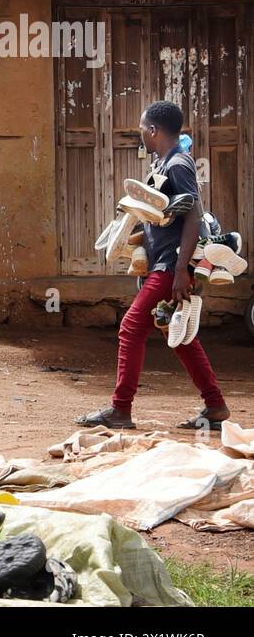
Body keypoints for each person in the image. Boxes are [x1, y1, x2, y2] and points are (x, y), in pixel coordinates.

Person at [77, 101, 228, 431]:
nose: (140, 134)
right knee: (180, 335)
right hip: (165, 263)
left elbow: (193, 218)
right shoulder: (165, 162)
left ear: (155, 130)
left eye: (143, 128)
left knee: (131, 328)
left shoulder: (178, 165)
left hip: (172, 265)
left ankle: (120, 409)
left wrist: (181, 270)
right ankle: (215, 405)